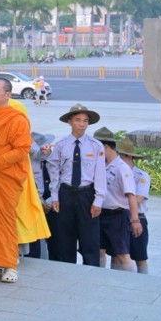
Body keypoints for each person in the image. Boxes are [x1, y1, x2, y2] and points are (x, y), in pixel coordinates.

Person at [0, 78, 32, 284]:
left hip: (6, 177)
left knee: (5, 219)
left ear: (8, 95)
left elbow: (21, 150)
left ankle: (10, 264)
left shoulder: (16, 119)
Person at [47, 103, 107, 266]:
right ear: (70, 122)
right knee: (65, 237)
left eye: (85, 121)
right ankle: (68, 270)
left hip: (86, 194)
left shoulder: (96, 145)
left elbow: (100, 174)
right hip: (66, 193)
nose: (82, 124)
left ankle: (91, 271)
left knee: (90, 238)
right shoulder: (61, 144)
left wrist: (98, 200)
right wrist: (55, 196)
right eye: (78, 120)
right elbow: (54, 171)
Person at [93, 127, 140, 272]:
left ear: (105, 147)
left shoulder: (121, 168)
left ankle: (131, 281)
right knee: (98, 250)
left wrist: (135, 220)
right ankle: (98, 277)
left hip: (117, 216)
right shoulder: (101, 165)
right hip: (101, 214)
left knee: (122, 255)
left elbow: (131, 195)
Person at [117, 139, 151, 273]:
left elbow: (138, 199)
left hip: (137, 218)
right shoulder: (115, 172)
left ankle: (142, 281)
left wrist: (116, 202)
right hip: (119, 217)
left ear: (128, 156)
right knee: (117, 254)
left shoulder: (141, 176)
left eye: (119, 155)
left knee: (139, 256)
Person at [29, 132, 59, 260]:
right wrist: (40, 201)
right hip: (36, 204)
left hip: (54, 204)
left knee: (57, 240)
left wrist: (51, 201)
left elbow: (60, 181)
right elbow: (28, 183)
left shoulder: (55, 160)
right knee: (37, 239)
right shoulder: (29, 162)